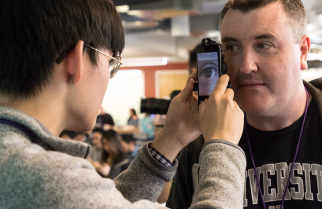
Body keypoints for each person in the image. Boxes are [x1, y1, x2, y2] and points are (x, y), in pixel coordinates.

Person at [0, 0, 246, 207]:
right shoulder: (49, 178)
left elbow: (102, 202)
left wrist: (171, 138)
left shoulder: (17, 162)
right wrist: (221, 144)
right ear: (76, 60)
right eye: (110, 63)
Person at [167, 0, 322, 209]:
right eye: (232, 47)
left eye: (264, 45)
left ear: (302, 52)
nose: (246, 66)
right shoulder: (203, 141)